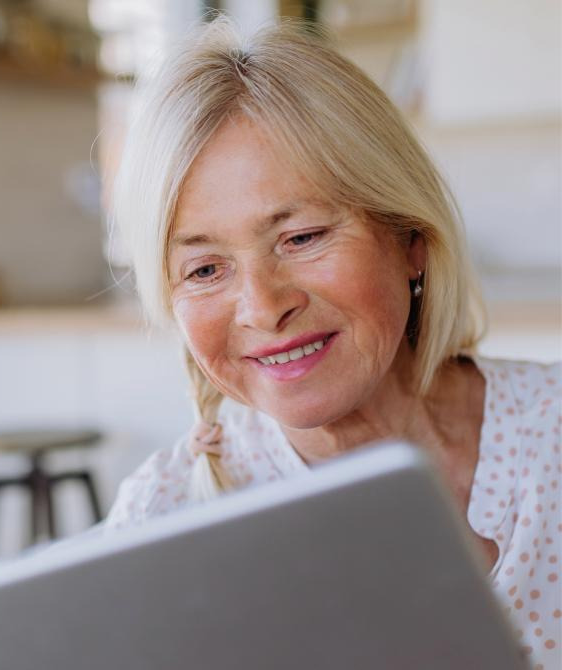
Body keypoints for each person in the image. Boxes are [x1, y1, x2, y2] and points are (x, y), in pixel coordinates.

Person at [104, 18, 561, 669]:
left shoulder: (553, 437)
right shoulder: (163, 514)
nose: (263, 307)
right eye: (206, 269)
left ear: (410, 240)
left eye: (302, 237)